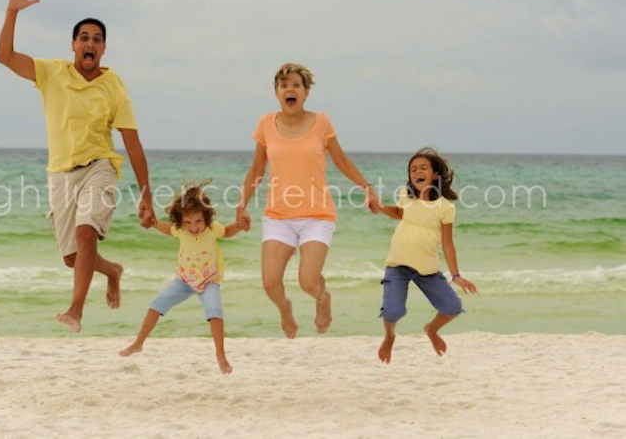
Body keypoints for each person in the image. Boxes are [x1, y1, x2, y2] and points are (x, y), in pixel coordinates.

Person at [0, 0, 154, 333]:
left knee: (86, 234)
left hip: (99, 167)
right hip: (60, 173)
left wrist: (146, 193)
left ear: (103, 49)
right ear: (73, 45)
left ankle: (76, 310)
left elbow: (131, 141)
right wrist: (12, 11)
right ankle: (112, 270)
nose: (90, 43)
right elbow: (4, 56)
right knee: (72, 257)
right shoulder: (51, 73)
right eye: (84, 37)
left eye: (97, 39)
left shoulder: (113, 85)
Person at [236, 63, 380, 339]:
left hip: (317, 216)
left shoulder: (321, 122)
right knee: (270, 283)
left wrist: (367, 187)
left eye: (296, 85)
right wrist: (241, 204)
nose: (290, 89)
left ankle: (322, 298)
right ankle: (285, 309)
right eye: (284, 85)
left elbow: (340, 160)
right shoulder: (266, 124)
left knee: (308, 282)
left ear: (305, 92)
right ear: (277, 93)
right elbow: (256, 170)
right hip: (278, 216)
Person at [119, 183, 245, 374]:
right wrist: (151, 222)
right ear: (180, 221)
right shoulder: (178, 230)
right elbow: (164, 227)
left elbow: (227, 232)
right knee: (156, 304)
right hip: (184, 279)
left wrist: (240, 226)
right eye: (187, 222)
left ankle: (220, 354)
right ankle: (138, 343)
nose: (193, 227)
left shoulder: (212, 229)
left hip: (208, 279)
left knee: (214, 310)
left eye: (198, 221)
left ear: (206, 218)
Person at [376, 148, 477, 364]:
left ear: (435, 175)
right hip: (398, 265)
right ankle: (389, 335)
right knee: (393, 310)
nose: (417, 172)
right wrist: (380, 207)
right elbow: (399, 213)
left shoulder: (445, 207)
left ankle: (432, 330)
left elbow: (448, 243)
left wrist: (456, 275)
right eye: (413, 169)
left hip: (427, 270)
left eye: (423, 168)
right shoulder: (406, 196)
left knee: (453, 308)